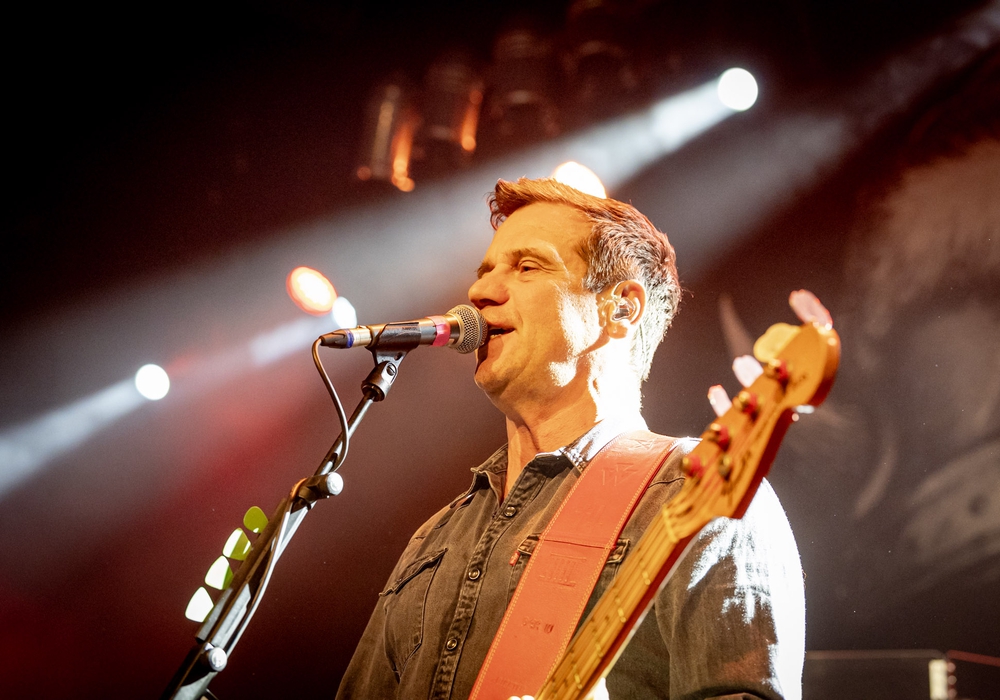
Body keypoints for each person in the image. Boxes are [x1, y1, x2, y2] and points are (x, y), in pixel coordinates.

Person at [336, 178, 805, 700]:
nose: (479, 292)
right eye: (485, 272)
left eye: (527, 266)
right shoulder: (435, 536)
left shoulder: (701, 490)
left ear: (622, 308)